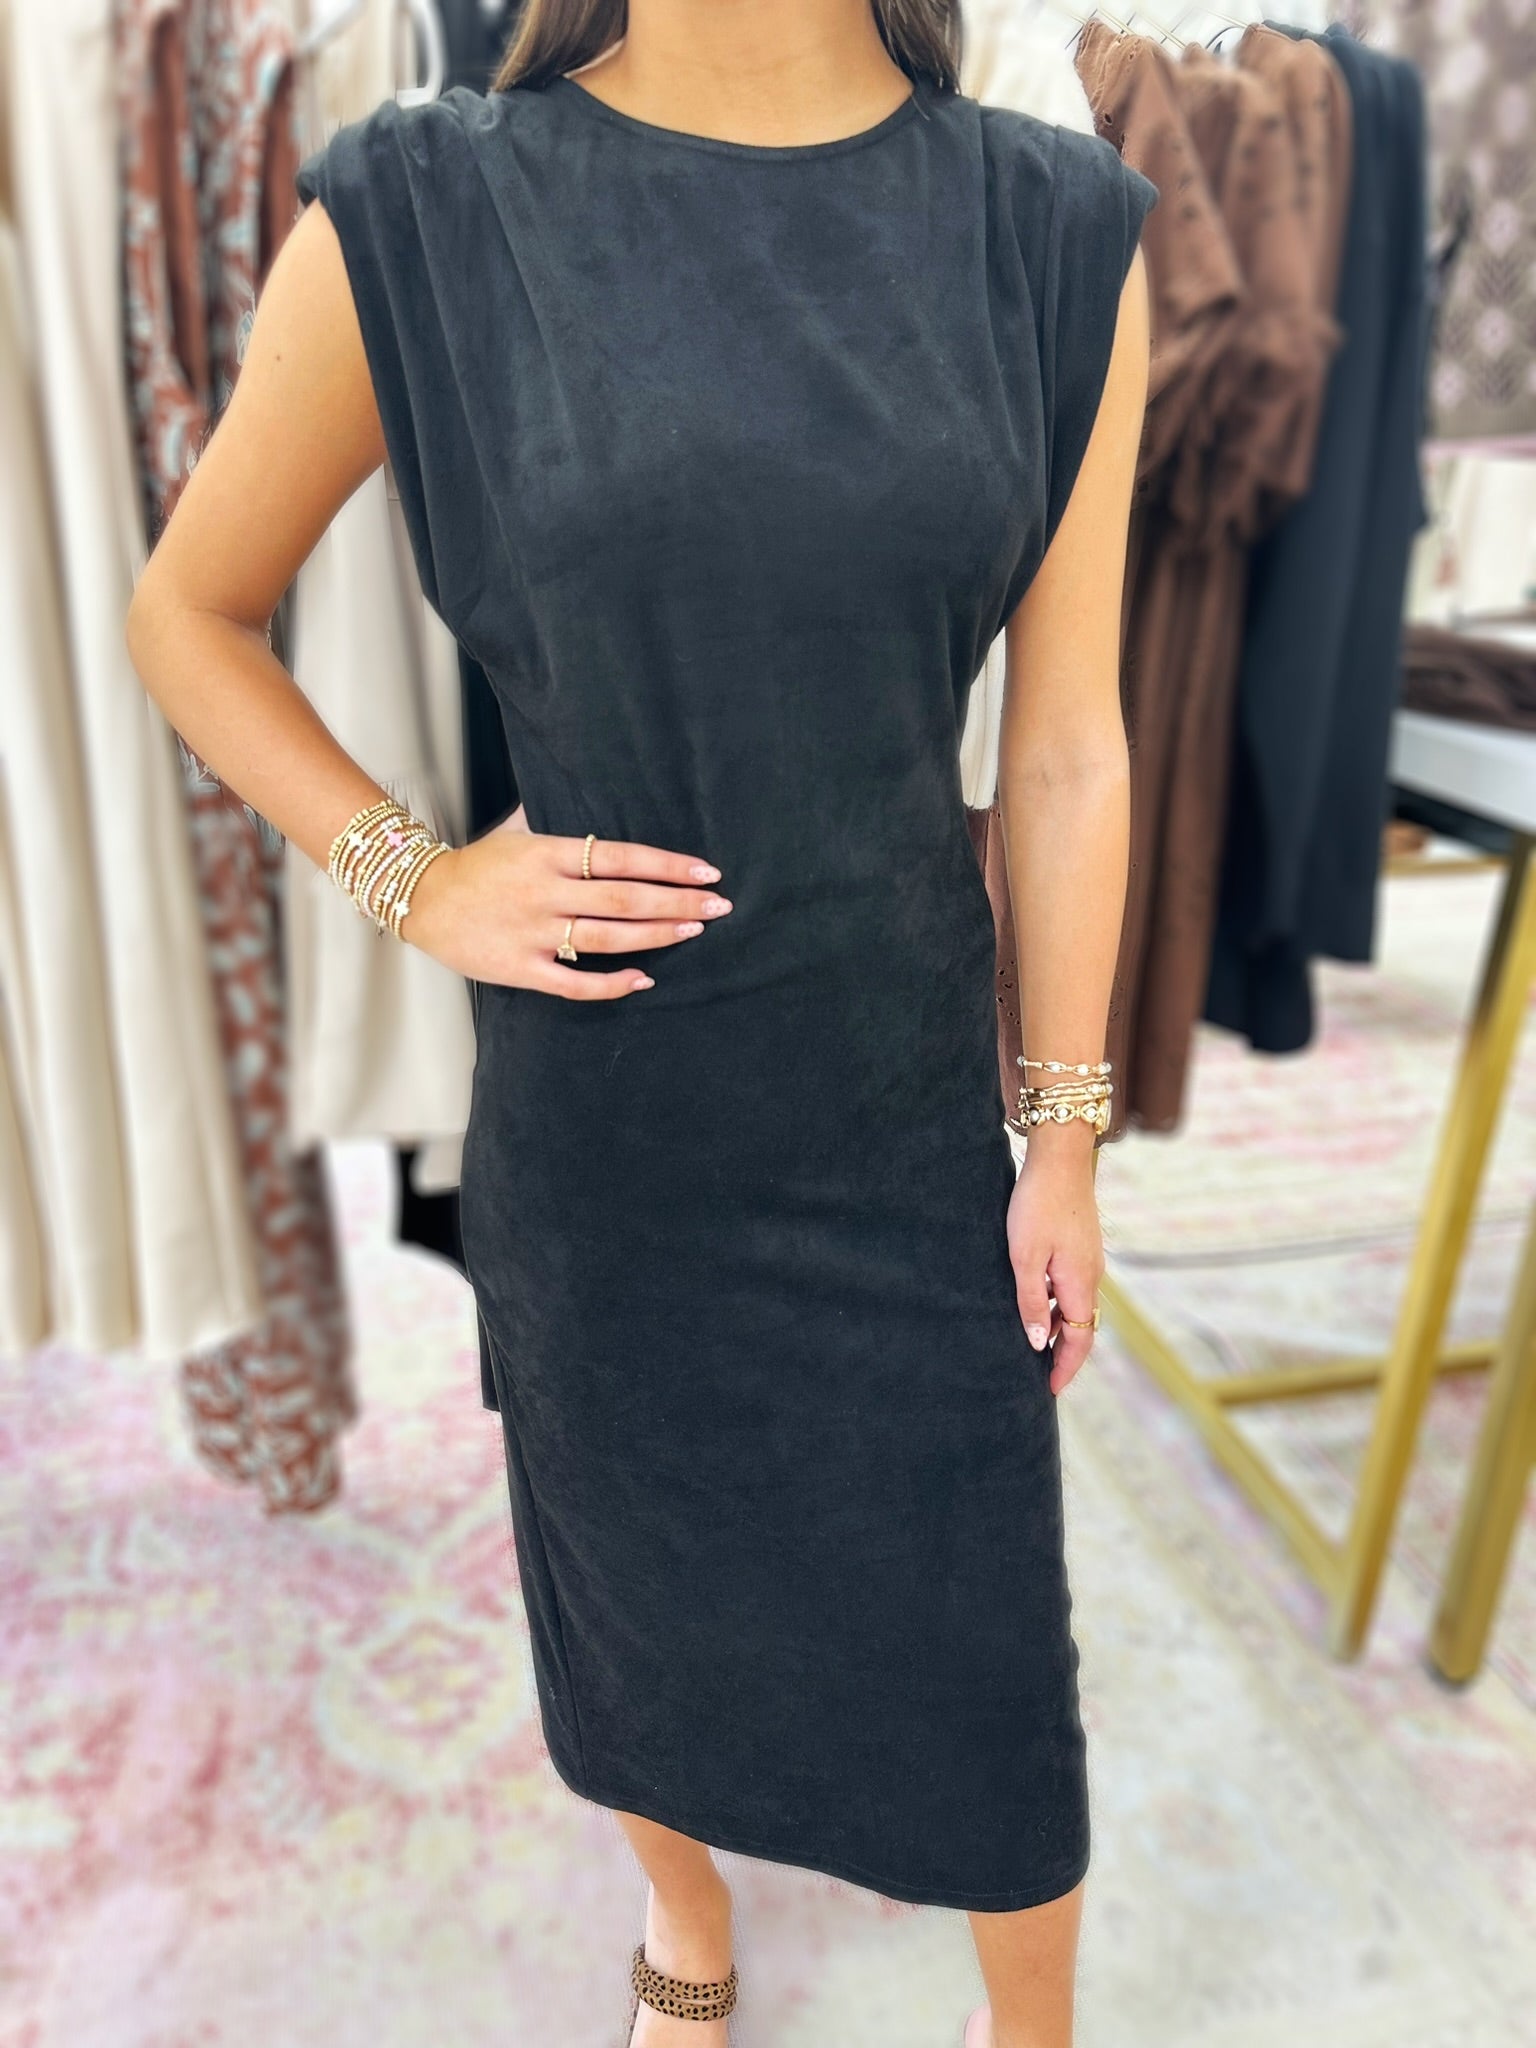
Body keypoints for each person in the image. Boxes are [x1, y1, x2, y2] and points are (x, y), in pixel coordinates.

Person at [125, 2, 1153, 2041]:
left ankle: (1031, 2021)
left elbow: (1064, 750)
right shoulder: (431, 205)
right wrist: (415, 878)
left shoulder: (1048, 227)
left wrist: (1063, 1136)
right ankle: (686, 1920)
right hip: (613, 1136)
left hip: (902, 1111)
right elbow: (187, 610)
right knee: (639, 1601)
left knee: (979, 1657)